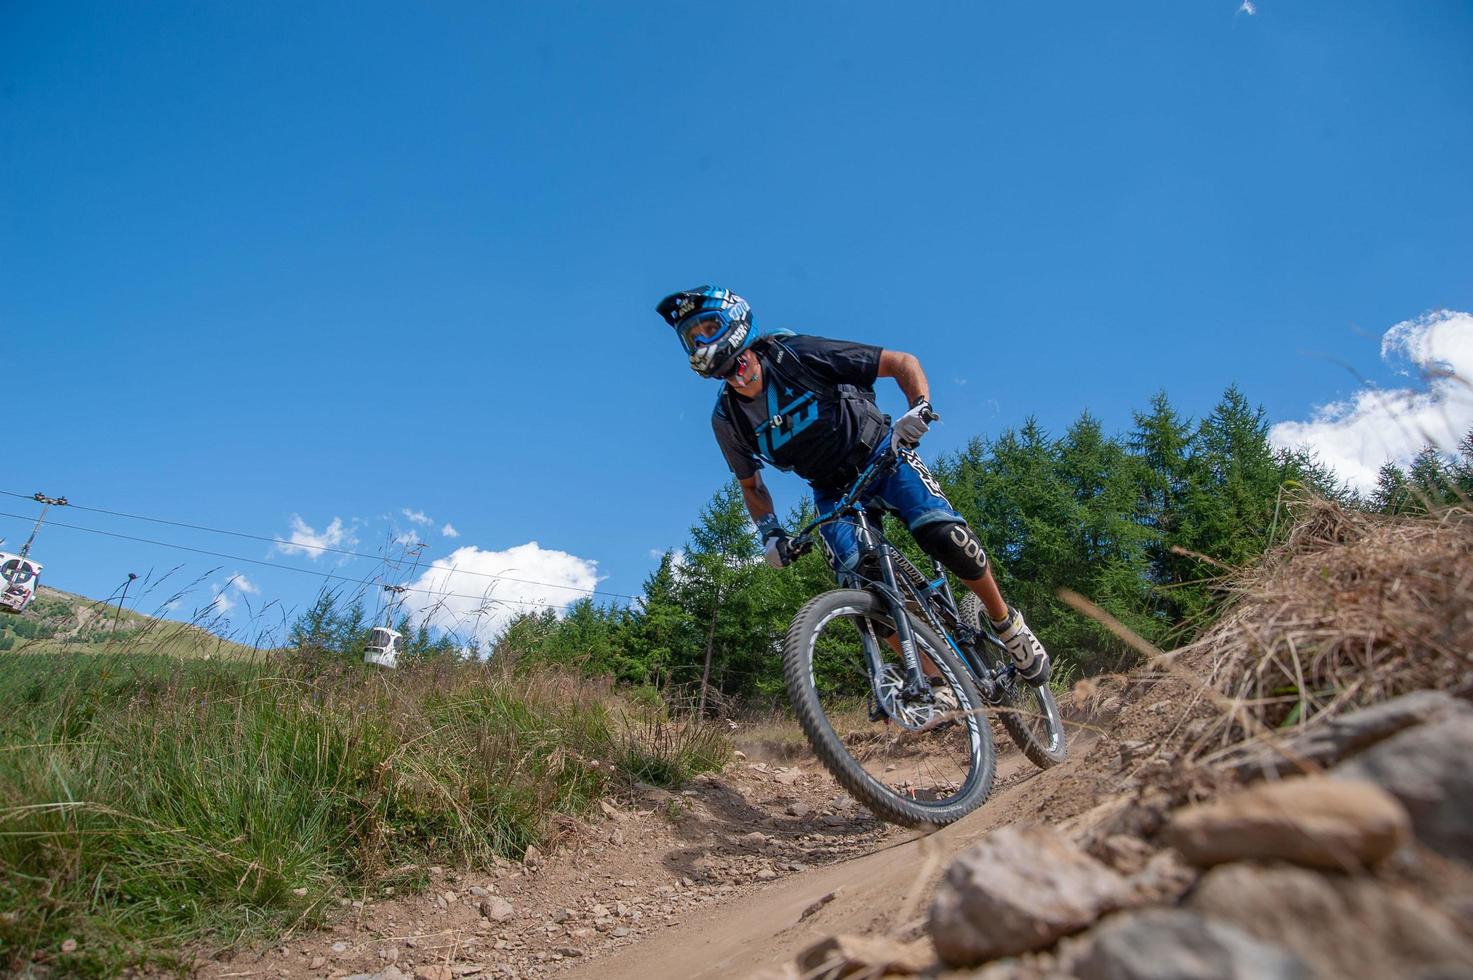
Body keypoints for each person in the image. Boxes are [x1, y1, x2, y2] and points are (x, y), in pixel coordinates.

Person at [656, 285, 1050, 685]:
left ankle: (1007, 625)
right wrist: (769, 533)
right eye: (691, 336)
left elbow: (901, 362)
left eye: (708, 327)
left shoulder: (796, 354)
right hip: (831, 491)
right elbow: (751, 486)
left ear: (735, 320)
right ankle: (938, 685)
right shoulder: (727, 419)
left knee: (943, 534)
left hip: (882, 453)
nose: (701, 341)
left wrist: (919, 407)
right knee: (863, 586)